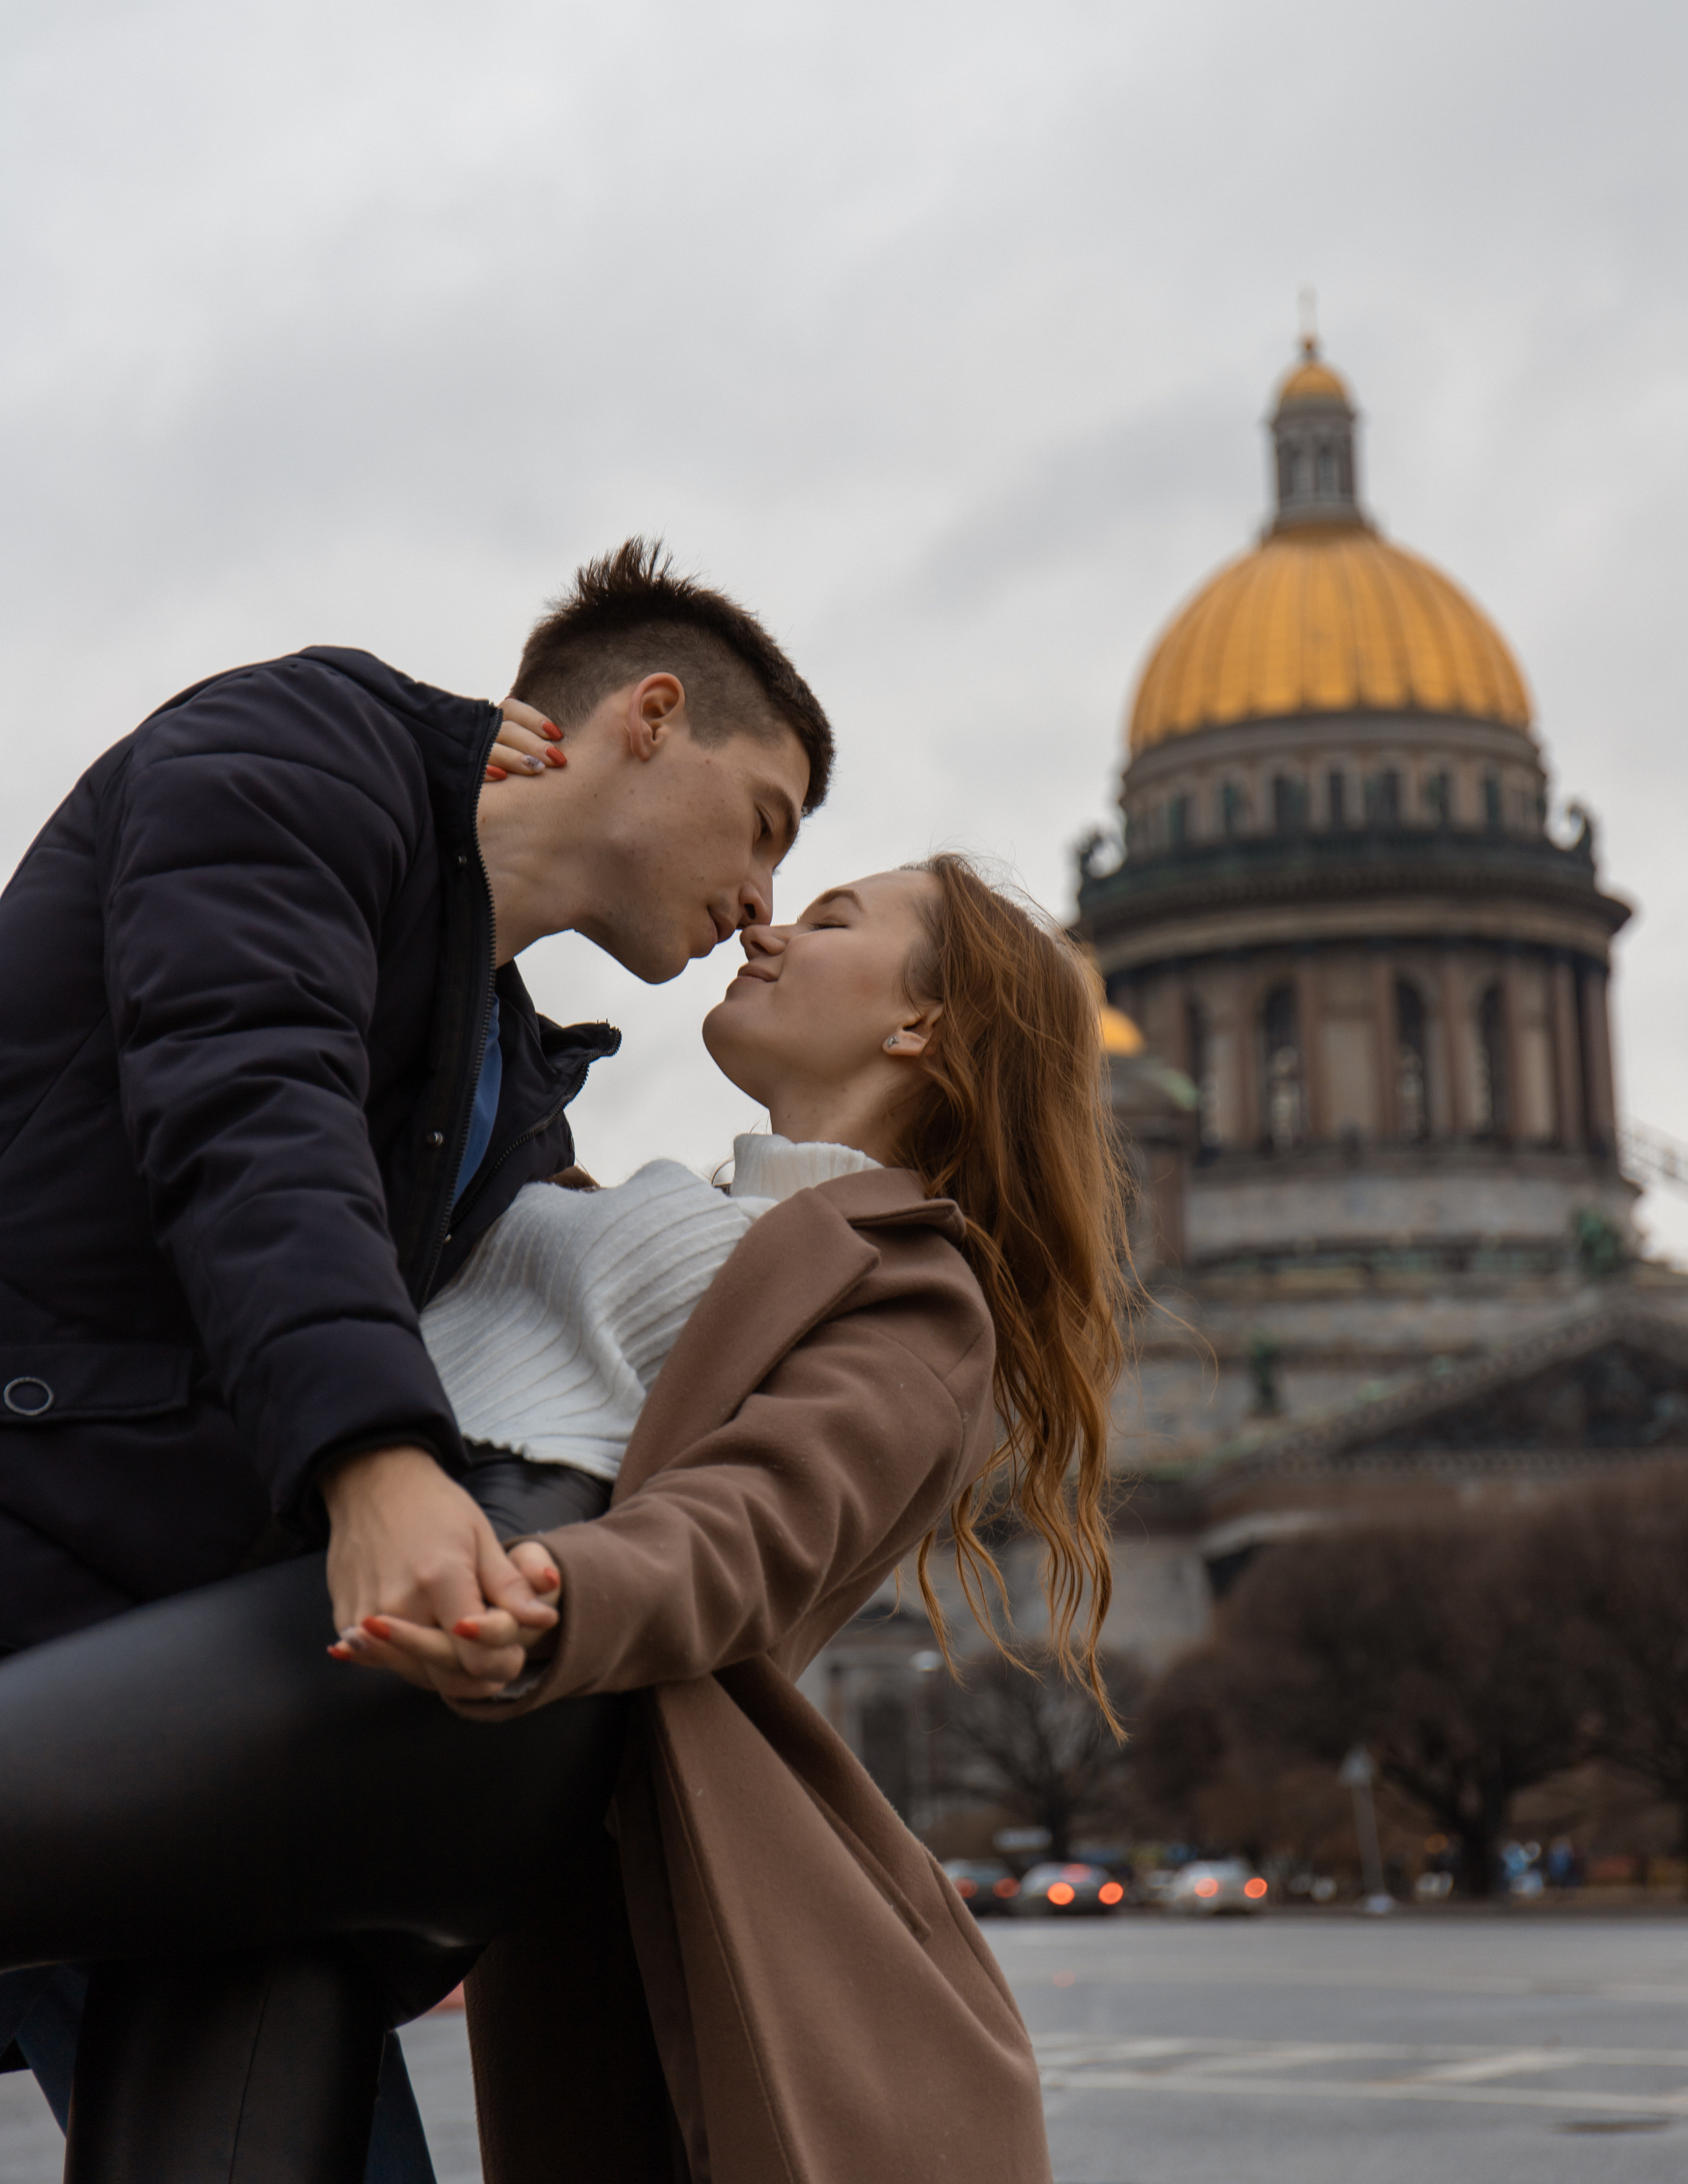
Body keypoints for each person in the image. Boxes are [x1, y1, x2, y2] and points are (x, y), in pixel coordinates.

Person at [0, 853, 1128, 2184]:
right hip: (328, 1596)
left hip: (465, 1636)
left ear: (918, 1025)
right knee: (210, 2123)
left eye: (831, 920)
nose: (765, 927)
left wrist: (553, 1593)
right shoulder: (671, 1202)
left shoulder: (909, 1286)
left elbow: (750, 1531)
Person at [0, 536, 831, 2180]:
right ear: (648, 716)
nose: (763, 900)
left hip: (188, 1656)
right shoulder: (296, 751)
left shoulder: (507, 1072)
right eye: (766, 823)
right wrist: (373, 1463)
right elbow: (249, 1111)